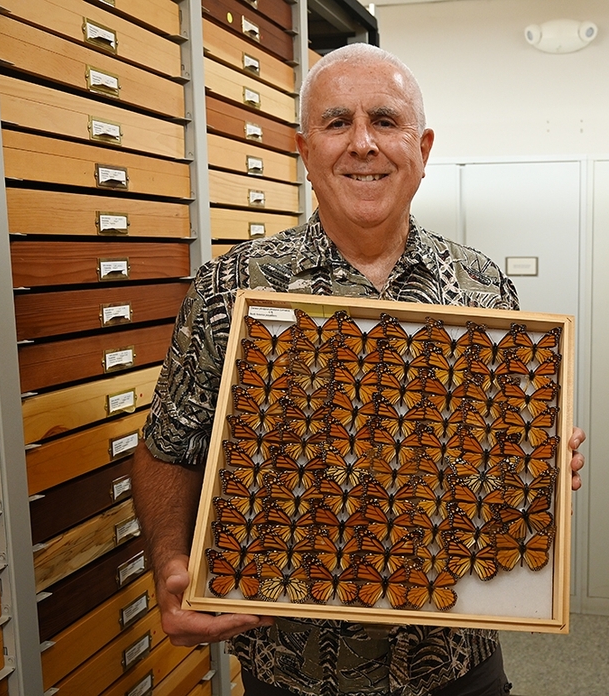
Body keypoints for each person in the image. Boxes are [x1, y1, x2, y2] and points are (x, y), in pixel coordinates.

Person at [132, 43, 586, 696]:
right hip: (292, 676)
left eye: (386, 120)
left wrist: (536, 463)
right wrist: (170, 561)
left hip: (456, 669)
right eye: (338, 121)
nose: (363, 143)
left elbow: (504, 460)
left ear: (423, 148)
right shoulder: (231, 288)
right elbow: (166, 449)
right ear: (304, 149)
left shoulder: (484, 289)